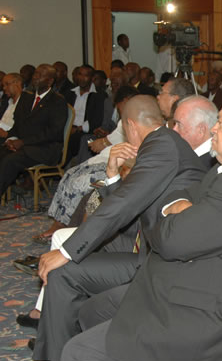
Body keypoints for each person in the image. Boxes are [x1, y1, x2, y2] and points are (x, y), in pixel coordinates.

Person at [60, 94, 222, 361]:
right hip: (196, 287)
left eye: (221, 123)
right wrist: (179, 208)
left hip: (213, 320)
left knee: (81, 356)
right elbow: (182, 194)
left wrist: (175, 211)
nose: (212, 129)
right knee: (91, 311)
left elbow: (168, 239)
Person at [22, 95, 207, 361]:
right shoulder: (164, 144)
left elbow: (125, 204)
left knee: (64, 267)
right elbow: (131, 203)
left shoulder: (161, 145)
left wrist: (67, 250)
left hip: (166, 266)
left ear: (130, 126)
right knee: (63, 273)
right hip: (151, 256)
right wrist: (111, 175)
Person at [29, 86, 139, 245]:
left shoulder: (138, 123)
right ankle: (59, 224)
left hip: (116, 174)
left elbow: (112, 146)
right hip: (109, 164)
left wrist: (103, 144)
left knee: (82, 185)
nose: (120, 111)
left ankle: (70, 231)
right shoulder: (126, 120)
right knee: (69, 175)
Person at [0, 64, 67, 198]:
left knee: (10, 161)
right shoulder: (26, 98)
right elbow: (17, 125)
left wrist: (23, 142)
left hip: (45, 149)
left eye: (40, 75)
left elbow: (53, 132)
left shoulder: (57, 101)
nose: (35, 78)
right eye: (35, 74)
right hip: (24, 146)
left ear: (50, 81)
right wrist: (11, 140)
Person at [66, 65, 106, 161]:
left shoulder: (99, 95)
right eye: (80, 74)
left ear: (92, 78)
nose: (82, 78)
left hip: (84, 131)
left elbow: (97, 119)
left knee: (75, 140)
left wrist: (77, 129)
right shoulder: (70, 93)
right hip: (68, 128)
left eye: (86, 75)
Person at [171, 95, 219, 169]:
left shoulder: (204, 167)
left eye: (179, 125)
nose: (174, 129)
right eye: (174, 124)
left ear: (201, 130)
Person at [0, 73, 23, 137]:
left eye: (7, 84)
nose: (4, 88)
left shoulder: (26, 103)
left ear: (18, 83)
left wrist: (7, 134)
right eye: (3, 85)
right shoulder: (6, 101)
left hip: (11, 137)